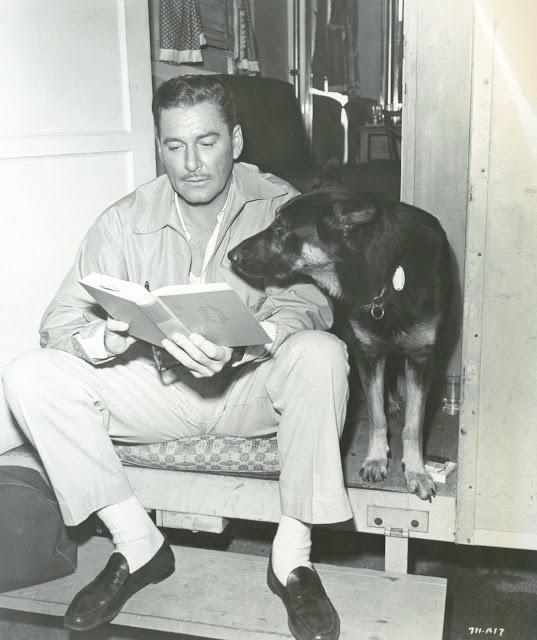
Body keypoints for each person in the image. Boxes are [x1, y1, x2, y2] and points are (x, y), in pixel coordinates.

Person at [2, 75, 352, 640]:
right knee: (28, 375)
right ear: (158, 147)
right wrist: (105, 341)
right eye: (174, 145)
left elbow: (312, 302)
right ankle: (137, 543)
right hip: (158, 393)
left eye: (207, 142)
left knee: (322, 354)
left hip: (251, 391)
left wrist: (252, 339)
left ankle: (292, 558)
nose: (191, 163)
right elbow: (59, 325)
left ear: (236, 141)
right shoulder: (124, 219)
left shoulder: (281, 205)